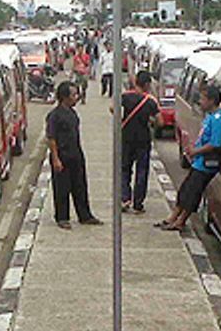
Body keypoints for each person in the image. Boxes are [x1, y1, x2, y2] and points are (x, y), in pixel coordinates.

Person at [156, 85, 221, 231]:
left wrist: (195, 151)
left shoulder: (218, 120)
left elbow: (215, 143)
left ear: (212, 101)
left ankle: (181, 221)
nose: (200, 102)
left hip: (206, 164)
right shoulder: (209, 117)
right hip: (198, 162)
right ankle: (173, 217)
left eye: (203, 99)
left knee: (192, 193)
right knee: (185, 190)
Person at [46, 81, 103, 230]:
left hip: (75, 154)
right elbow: (51, 138)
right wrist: (55, 159)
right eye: (73, 95)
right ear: (64, 97)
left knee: (80, 186)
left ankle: (85, 215)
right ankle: (62, 217)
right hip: (62, 156)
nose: (76, 97)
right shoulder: (54, 116)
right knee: (62, 188)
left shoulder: (72, 113)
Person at [113, 71, 162, 213]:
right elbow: (161, 121)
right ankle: (138, 203)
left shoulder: (125, 97)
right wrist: (149, 120)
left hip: (126, 138)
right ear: (147, 84)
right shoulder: (151, 101)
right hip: (143, 140)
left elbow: (112, 108)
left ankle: (125, 198)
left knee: (124, 169)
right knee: (142, 171)